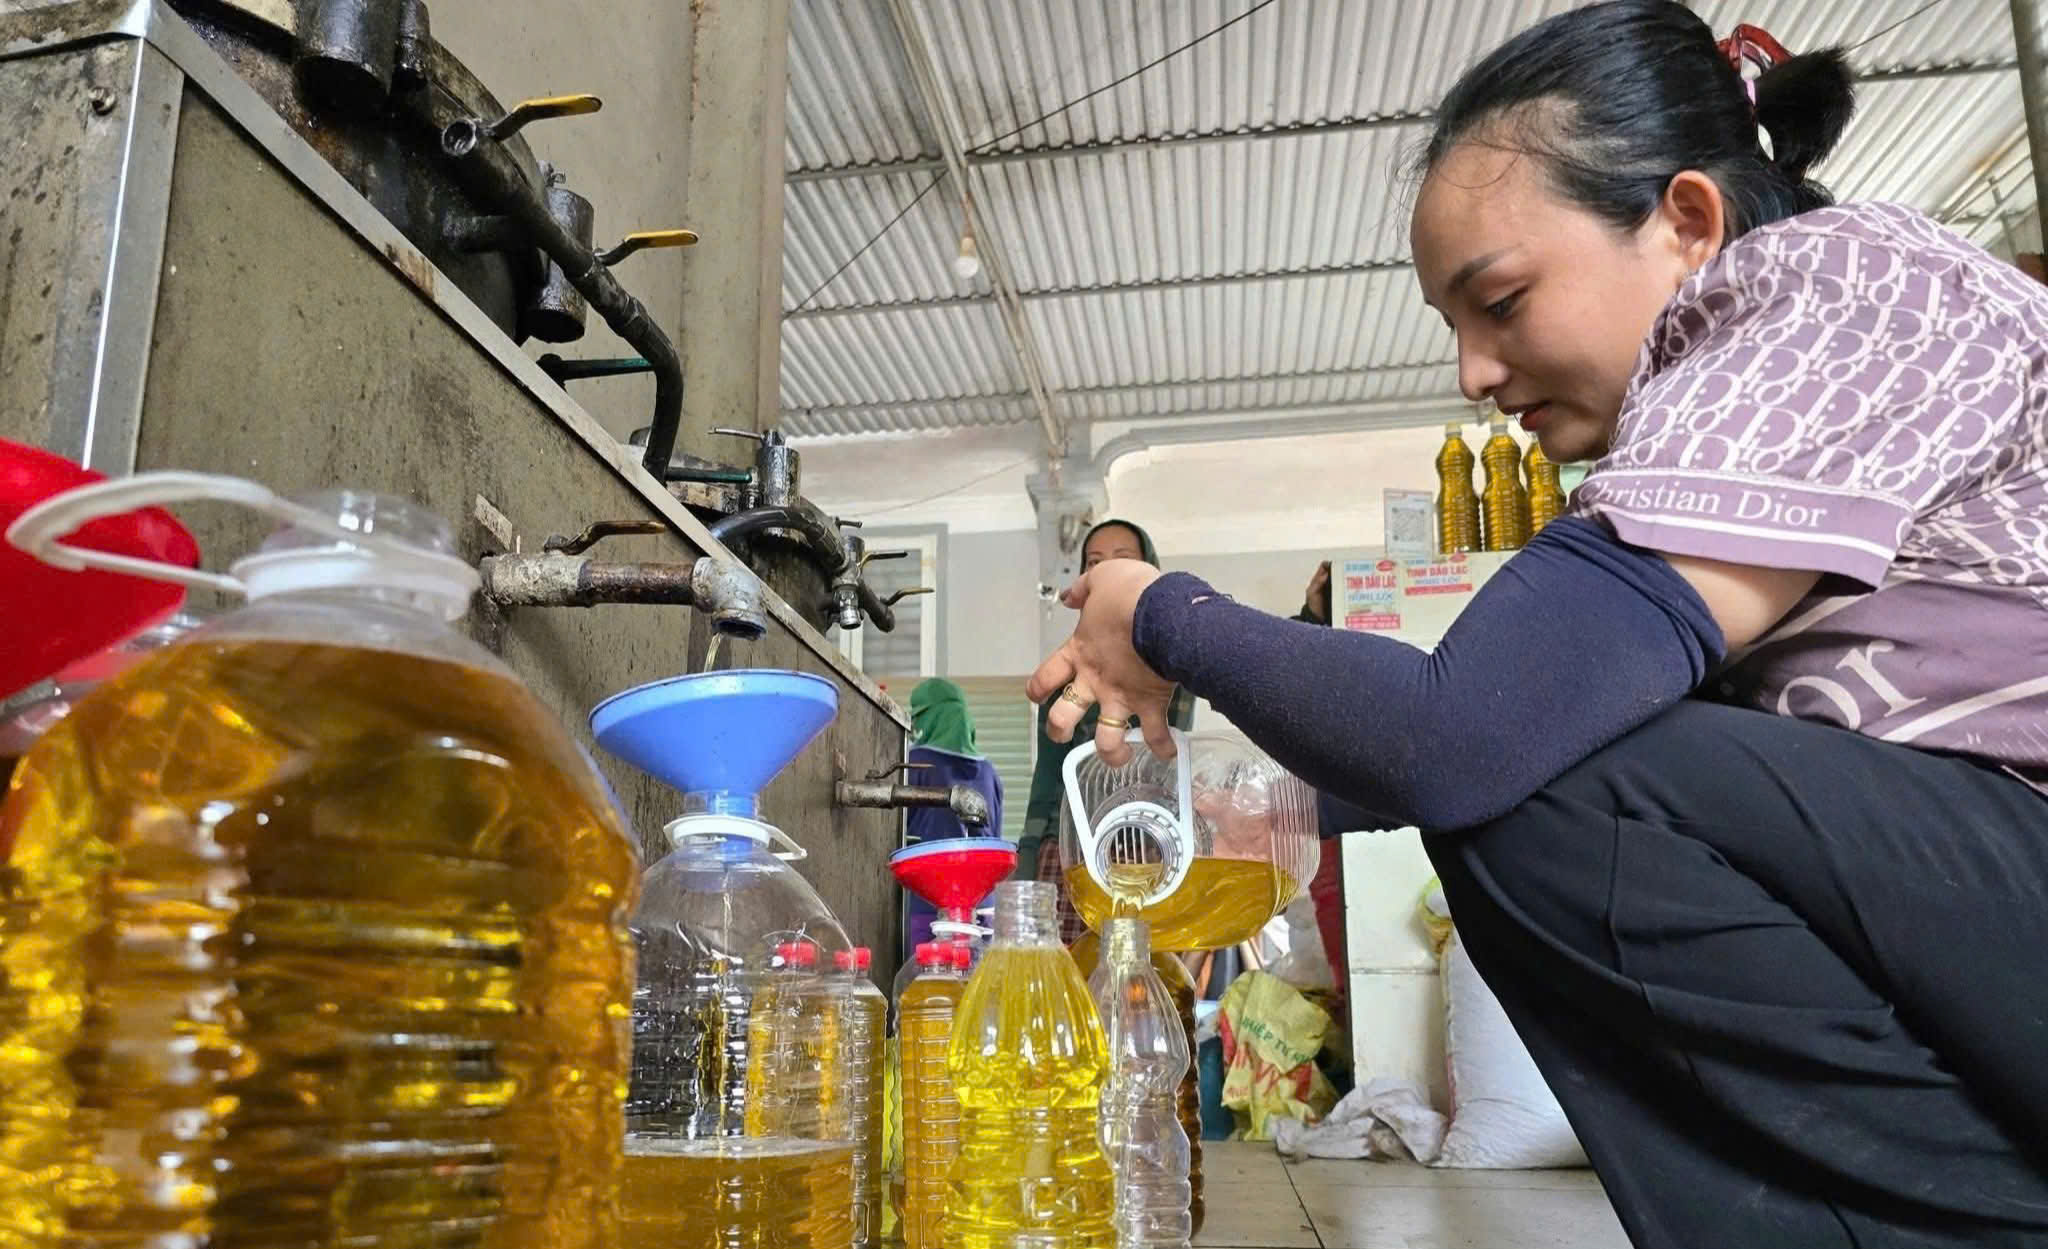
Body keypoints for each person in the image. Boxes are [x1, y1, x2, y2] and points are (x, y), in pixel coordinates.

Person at [1026, 4, 2048, 1245]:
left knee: (1549, 793)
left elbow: (1462, 735)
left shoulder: (1828, 291)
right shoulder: (1748, 397)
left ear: (1685, 221)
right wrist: (1257, 808)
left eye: (1500, 300)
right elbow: (1502, 733)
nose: (1472, 373)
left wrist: (1158, 609)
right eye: (1455, 327)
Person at [1016, 519, 1195, 943]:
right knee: (1062, 977)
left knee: (1137, 975)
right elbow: (1049, 776)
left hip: (1147, 846)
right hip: (1067, 848)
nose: (1108, 571)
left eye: (1123, 559)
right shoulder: (1065, 673)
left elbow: (1172, 764)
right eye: (1095, 562)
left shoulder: (1179, 663)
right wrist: (1027, 856)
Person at [901, 678, 1004, 951]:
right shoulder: (989, 772)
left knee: (926, 975)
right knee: (976, 975)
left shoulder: (914, 763)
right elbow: (995, 841)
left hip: (927, 907)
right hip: (982, 909)